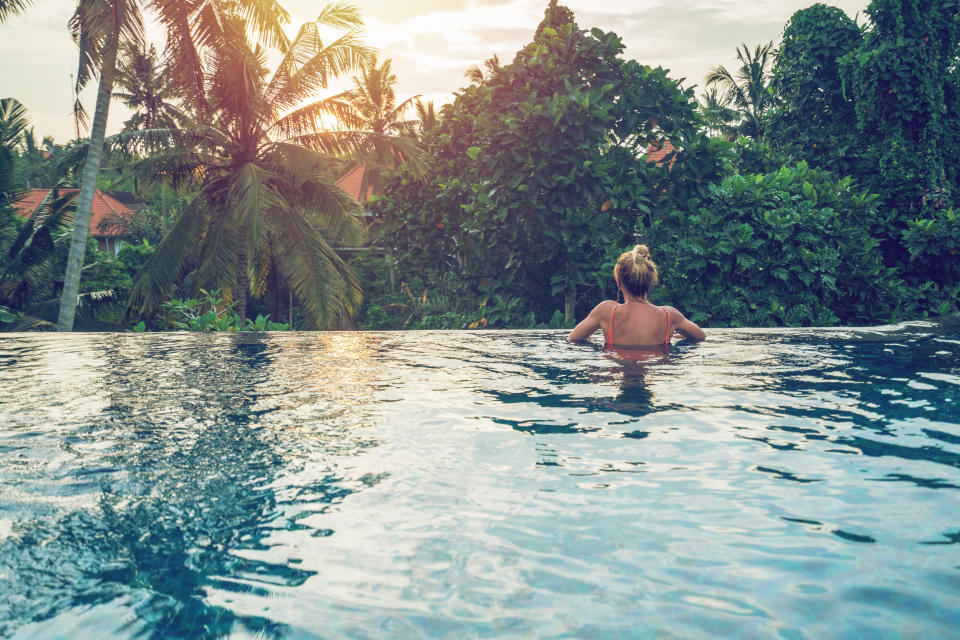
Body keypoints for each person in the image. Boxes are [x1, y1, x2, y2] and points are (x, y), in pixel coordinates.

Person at [567, 244, 705, 349]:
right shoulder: (669, 316)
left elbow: (574, 338)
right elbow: (700, 336)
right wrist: (677, 334)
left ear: (618, 282)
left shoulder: (606, 312)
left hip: (617, 369)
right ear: (651, 281)